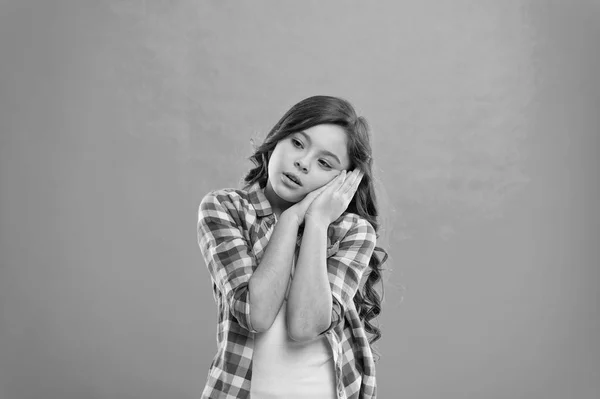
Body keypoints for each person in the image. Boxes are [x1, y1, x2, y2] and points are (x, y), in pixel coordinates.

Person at [197, 95, 388, 398]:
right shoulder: (226, 208)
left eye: (324, 163)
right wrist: (289, 220)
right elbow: (255, 315)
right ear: (277, 139)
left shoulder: (351, 232)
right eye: (298, 144)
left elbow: (304, 326)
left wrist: (316, 223)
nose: (302, 162)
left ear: (344, 181)